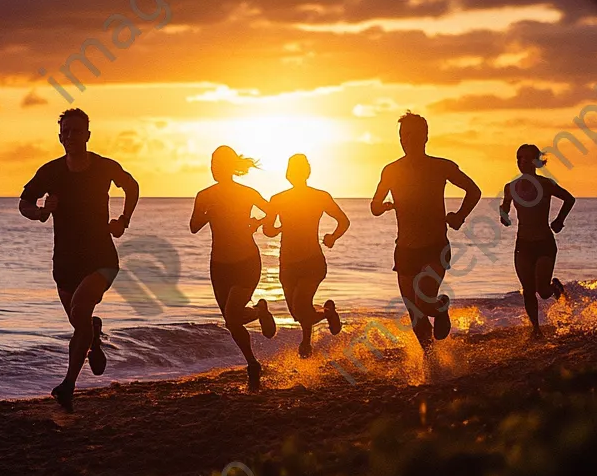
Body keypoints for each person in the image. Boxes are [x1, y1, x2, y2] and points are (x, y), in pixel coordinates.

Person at [19, 109, 139, 412]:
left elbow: (131, 186)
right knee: (80, 324)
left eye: (77, 131)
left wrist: (123, 220)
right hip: (65, 261)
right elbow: (24, 203)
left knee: (80, 309)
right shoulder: (50, 171)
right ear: (60, 137)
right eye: (66, 132)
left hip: (101, 257)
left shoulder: (103, 167)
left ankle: (68, 385)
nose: (71, 136)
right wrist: (42, 212)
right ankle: (94, 337)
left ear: (87, 134)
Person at [371, 112, 481, 349]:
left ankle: (441, 306)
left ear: (425, 137)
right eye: (402, 135)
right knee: (415, 315)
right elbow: (374, 206)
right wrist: (384, 206)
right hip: (405, 250)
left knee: (424, 300)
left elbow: (474, 190)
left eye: (411, 135)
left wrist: (460, 216)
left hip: (435, 247)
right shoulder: (391, 170)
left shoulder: (440, 166)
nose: (406, 140)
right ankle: (431, 364)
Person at [190, 146, 277, 391]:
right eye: (212, 164)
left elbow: (272, 210)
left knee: (232, 313)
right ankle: (253, 361)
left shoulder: (246, 193)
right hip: (218, 265)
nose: (215, 168)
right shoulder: (204, 195)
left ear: (230, 167)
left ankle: (252, 361)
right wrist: (208, 214)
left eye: (219, 164)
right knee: (231, 321)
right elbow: (194, 226)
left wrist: (259, 223)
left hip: (247, 261)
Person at [262, 154, 350, 357]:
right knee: (297, 311)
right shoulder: (278, 199)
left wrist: (333, 237)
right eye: (293, 170)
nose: (295, 173)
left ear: (305, 172)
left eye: (298, 169)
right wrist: (277, 229)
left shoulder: (320, 196)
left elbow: (343, 220)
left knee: (301, 305)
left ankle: (307, 340)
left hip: (312, 261)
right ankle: (326, 312)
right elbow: (268, 229)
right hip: (287, 264)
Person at [500, 144, 575, 337]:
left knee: (542, 290)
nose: (522, 162)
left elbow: (569, 199)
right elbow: (505, 206)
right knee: (527, 289)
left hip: (544, 243)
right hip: (523, 244)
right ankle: (536, 329)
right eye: (519, 158)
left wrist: (559, 220)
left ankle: (555, 288)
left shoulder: (545, 184)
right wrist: (504, 215)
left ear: (536, 161)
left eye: (526, 158)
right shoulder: (511, 187)